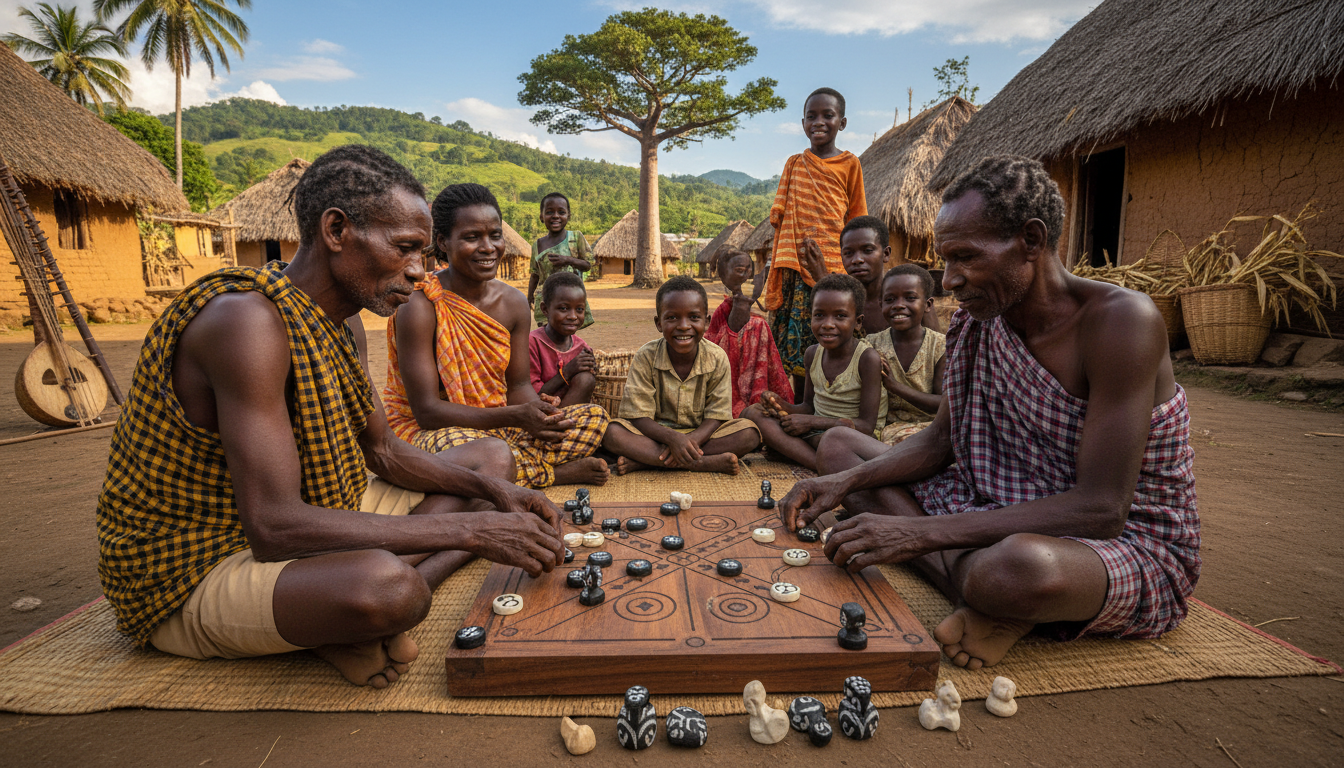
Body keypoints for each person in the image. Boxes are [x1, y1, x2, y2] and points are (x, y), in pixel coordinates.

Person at [96, 146, 566, 689]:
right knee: (388, 590)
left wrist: (496, 497)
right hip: (199, 559)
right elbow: (272, 527)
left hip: (317, 507)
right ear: (337, 230)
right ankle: (358, 613)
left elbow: (385, 452)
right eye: (406, 249)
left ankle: (345, 623)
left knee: (491, 459)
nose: (420, 272)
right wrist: (473, 529)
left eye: (423, 252)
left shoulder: (342, 321)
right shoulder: (244, 325)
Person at [777, 155, 1198, 671]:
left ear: (1031, 240)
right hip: (989, 501)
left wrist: (916, 534)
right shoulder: (979, 322)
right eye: (945, 260)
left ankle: (986, 590)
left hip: (1109, 539)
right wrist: (845, 483)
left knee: (1012, 570)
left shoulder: (1122, 322)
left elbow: (1102, 509)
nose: (949, 280)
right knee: (841, 450)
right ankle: (977, 591)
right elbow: (938, 444)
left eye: (966, 258)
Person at [383, 183, 610, 489]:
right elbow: (426, 413)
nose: (488, 247)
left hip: (498, 421)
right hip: (431, 431)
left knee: (592, 418)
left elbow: (517, 386)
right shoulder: (419, 305)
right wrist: (517, 417)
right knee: (485, 451)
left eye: (494, 235)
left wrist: (541, 418)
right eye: (471, 237)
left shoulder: (514, 304)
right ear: (442, 241)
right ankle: (551, 474)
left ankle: (510, 469)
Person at [760, 87, 867, 398]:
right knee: (796, 347)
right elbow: (781, 216)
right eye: (811, 116)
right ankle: (801, 405)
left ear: (842, 123)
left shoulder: (850, 164)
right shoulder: (795, 163)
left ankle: (833, 403)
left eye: (828, 115)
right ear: (802, 122)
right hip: (795, 266)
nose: (819, 122)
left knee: (833, 341)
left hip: (832, 268)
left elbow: (857, 217)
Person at [603, 276, 762, 475]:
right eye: (672, 318)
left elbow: (717, 416)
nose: (684, 326)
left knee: (749, 433)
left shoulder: (717, 357)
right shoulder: (646, 356)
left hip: (703, 437)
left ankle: (648, 462)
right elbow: (638, 416)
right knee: (611, 433)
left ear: (706, 322)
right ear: (658, 323)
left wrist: (690, 441)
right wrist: (673, 439)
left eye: (694, 317)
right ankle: (703, 464)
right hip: (656, 437)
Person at [745, 273, 886, 471]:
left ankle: (808, 459)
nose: (827, 324)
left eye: (840, 316)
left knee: (831, 440)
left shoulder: (867, 358)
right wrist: (780, 404)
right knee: (754, 413)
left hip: (851, 437)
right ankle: (822, 463)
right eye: (819, 315)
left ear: (858, 322)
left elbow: (866, 426)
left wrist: (810, 422)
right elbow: (808, 406)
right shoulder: (812, 354)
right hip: (814, 432)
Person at [705, 247, 794, 416]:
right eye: (739, 270)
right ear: (724, 275)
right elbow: (726, 335)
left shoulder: (749, 300)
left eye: (748, 270)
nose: (745, 275)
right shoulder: (729, 307)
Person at [870, 264, 946, 444]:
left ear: (928, 305)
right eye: (890, 300)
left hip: (931, 427)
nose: (899, 305)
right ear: (881, 304)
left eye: (910, 298)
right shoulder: (870, 345)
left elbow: (942, 402)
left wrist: (894, 386)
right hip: (886, 428)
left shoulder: (940, 346)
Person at [526, 192, 594, 329]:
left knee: (566, 335)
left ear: (568, 216)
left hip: (569, 299)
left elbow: (588, 265)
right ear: (541, 216)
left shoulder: (576, 237)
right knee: (546, 335)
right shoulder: (537, 245)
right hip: (544, 299)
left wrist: (568, 260)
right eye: (549, 212)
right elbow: (535, 274)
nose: (555, 216)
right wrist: (529, 298)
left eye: (561, 212)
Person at [529, 271, 598, 407]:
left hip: (571, 415)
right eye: (564, 308)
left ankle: (562, 423)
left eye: (579, 309)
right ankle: (556, 424)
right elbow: (530, 395)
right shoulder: (532, 343)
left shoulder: (582, 348)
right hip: (536, 413)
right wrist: (567, 372)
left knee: (586, 379)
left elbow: (584, 389)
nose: (573, 316)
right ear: (545, 309)